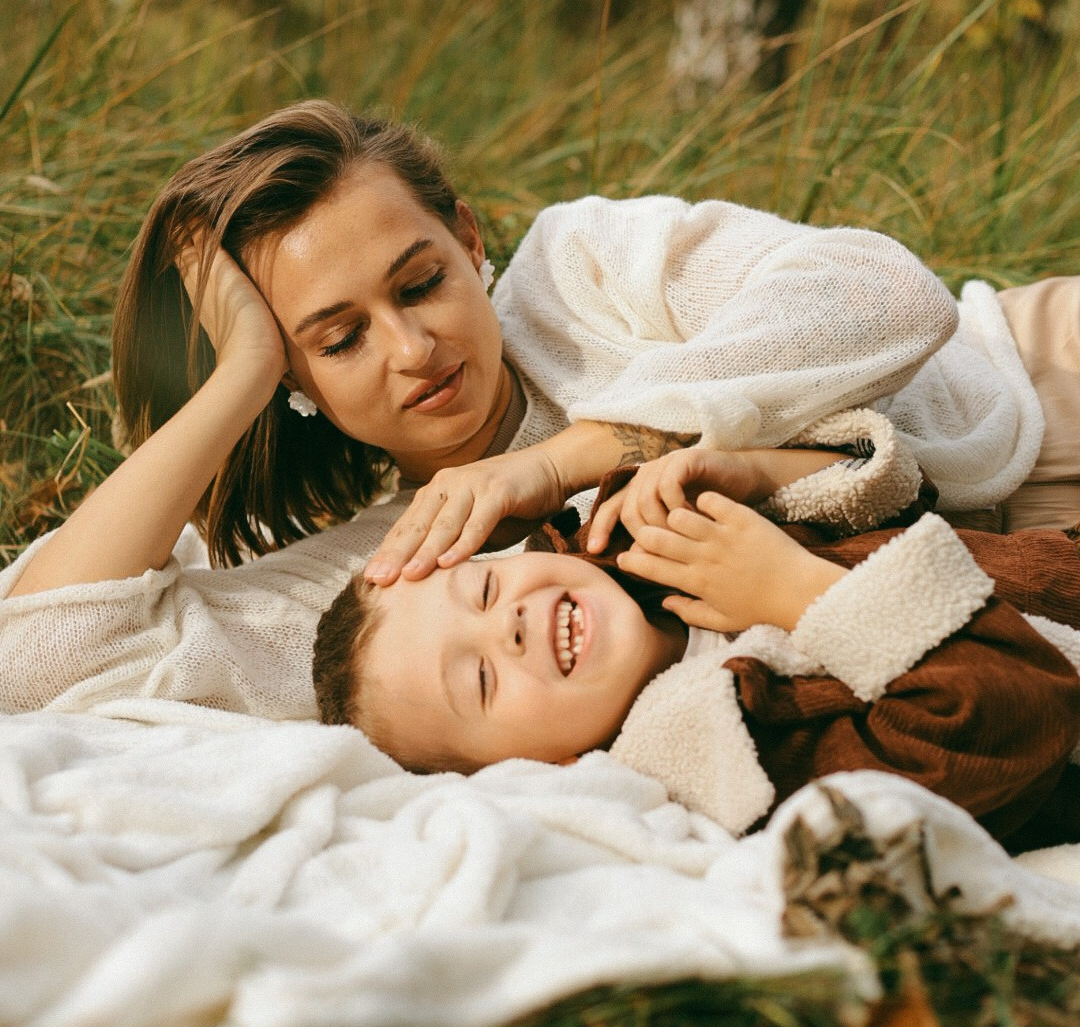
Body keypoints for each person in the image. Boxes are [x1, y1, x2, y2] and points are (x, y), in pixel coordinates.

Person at [2, 98, 1077, 718]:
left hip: (1026, 387)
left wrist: (563, 461)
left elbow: (889, 295)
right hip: (1002, 586)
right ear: (295, 380)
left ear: (470, 240)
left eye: (420, 281)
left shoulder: (576, 269)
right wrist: (236, 378)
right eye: (339, 339)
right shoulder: (401, 567)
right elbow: (30, 658)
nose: (413, 348)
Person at [310, 439, 1080, 856]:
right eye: (479, 680)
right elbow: (1017, 715)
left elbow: (904, 494)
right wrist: (794, 593)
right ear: (537, 773)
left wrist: (752, 469)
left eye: (481, 591)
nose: (504, 625)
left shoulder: (634, 537)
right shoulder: (739, 762)